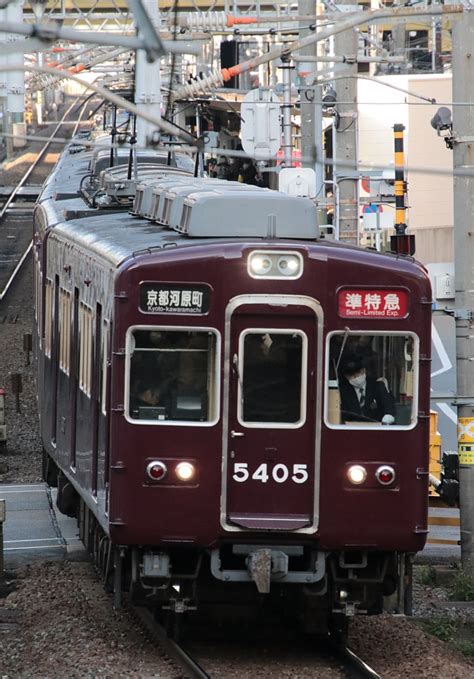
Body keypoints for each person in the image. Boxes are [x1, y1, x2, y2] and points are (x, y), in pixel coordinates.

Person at [338, 355, 396, 425]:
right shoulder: (343, 391)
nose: (356, 377)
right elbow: (344, 415)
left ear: (364, 370)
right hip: (353, 430)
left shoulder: (378, 386)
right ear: (346, 377)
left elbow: (390, 409)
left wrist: (388, 418)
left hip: (377, 430)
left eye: (358, 373)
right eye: (352, 375)